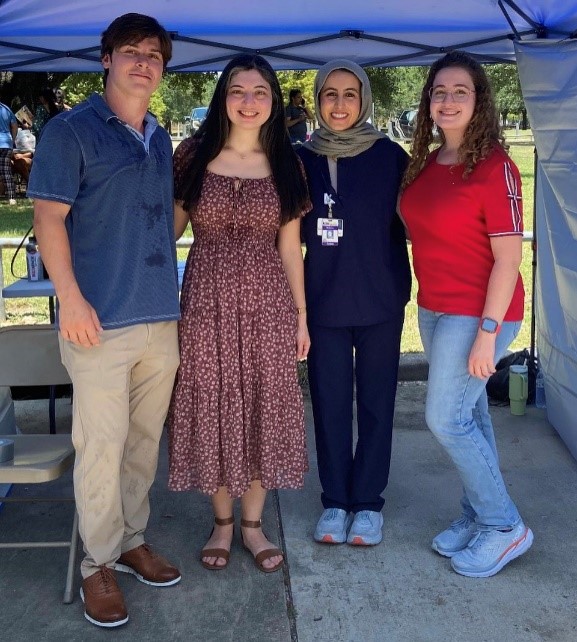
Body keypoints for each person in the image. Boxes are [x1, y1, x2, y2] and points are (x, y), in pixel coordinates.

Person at [27, 13, 181, 628]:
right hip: (98, 323)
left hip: (158, 318)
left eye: (153, 54)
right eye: (129, 51)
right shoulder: (70, 132)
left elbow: (161, 216)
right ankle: (97, 566)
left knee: (143, 445)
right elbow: (47, 220)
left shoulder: (161, 137)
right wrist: (71, 298)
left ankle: (130, 538)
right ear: (106, 59)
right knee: (101, 447)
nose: (142, 62)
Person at [168, 54, 310, 574]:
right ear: (222, 97)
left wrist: (300, 315)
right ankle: (222, 522)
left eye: (260, 92)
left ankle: (253, 525)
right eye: (237, 90)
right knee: (214, 404)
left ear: (273, 102)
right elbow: (169, 231)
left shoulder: (287, 162)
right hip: (205, 306)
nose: (248, 102)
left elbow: (291, 246)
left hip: (268, 306)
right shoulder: (192, 155)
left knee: (261, 407)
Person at [398, 51, 533, 577]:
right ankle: (477, 515)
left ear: (479, 101)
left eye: (460, 91)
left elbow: (508, 257)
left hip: (479, 314)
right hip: (433, 308)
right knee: (471, 416)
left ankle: (504, 526)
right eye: (439, 91)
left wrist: (488, 334)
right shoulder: (428, 163)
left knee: (444, 418)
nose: (448, 100)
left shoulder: (495, 166)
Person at [298, 60, 411, 546]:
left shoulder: (391, 157)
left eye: (349, 94)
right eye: (330, 94)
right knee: (328, 403)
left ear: (364, 99)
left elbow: (414, 228)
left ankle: (367, 502)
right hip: (323, 305)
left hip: (380, 302)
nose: (340, 104)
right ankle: (335, 500)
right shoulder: (299, 160)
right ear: (318, 100)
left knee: (376, 403)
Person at [0, 97, 17, 205]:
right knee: (6, 171)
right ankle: (11, 197)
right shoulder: (6, 109)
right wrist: (12, 140)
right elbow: (14, 126)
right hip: (6, 143)